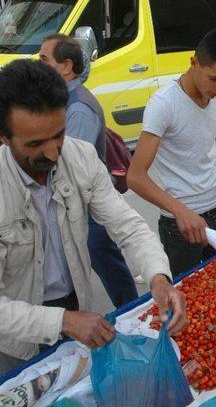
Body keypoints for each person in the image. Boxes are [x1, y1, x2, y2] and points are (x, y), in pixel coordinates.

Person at [0, 59, 187, 377]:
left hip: (75, 303)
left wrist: (159, 277)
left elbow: (126, 225)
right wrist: (62, 321)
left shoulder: (81, 158)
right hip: (16, 337)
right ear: (1, 135)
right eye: (35, 144)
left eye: (58, 135)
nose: (52, 153)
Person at [127, 29, 216, 277]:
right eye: (214, 79)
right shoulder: (164, 105)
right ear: (194, 62)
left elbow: (215, 143)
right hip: (180, 226)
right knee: (189, 299)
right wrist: (180, 211)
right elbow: (136, 177)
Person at [38, 34, 138, 308]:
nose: (38, 64)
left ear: (66, 66)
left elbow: (72, 166)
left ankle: (134, 314)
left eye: (44, 59)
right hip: (77, 204)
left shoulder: (78, 108)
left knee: (105, 260)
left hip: (87, 204)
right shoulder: (62, 101)